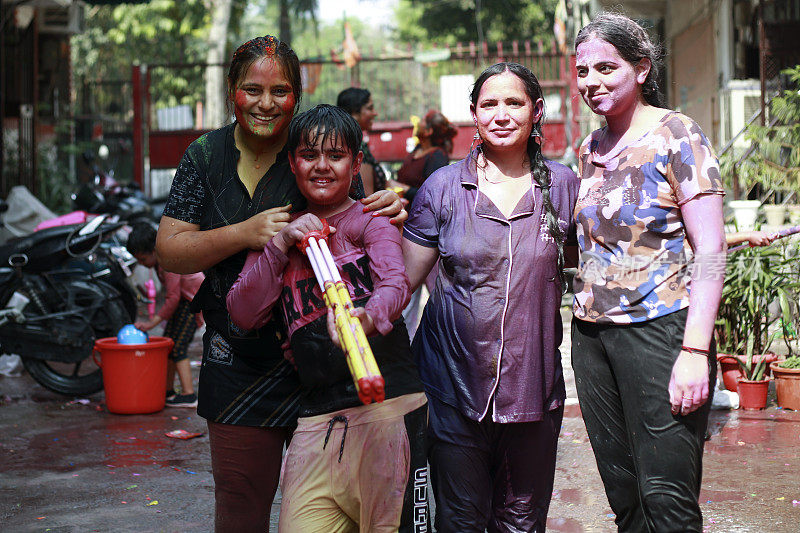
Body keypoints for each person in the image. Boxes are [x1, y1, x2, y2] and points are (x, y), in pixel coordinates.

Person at [154, 35, 405, 532]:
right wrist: (244, 234)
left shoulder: (312, 148)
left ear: (298, 93)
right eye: (252, 89)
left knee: (334, 507)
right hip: (238, 357)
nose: (266, 103)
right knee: (241, 503)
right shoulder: (206, 155)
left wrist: (391, 208)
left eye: (280, 91)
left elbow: (357, 218)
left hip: (323, 355)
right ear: (232, 91)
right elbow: (169, 249)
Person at [227, 104, 428, 532]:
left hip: (390, 408)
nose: (322, 167)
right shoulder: (278, 229)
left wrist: (366, 318)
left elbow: (395, 284)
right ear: (292, 162)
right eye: (309, 155)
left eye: (336, 156)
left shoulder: (370, 219)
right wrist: (280, 244)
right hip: (317, 418)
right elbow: (242, 311)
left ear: (356, 163)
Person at [402, 62, 579, 532]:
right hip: (451, 388)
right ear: (474, 116)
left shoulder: (563, 188)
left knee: (521, 524)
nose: (501, 114)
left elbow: (593, 266)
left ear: (536, 111)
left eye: (514, 103)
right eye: (489, 104)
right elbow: (400, 284)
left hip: (533, 392)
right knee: (460, 522)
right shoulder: (441, 189)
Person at [570, 13, 726, 532]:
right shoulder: (589, 150)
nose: (592, 82)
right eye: (583, 71)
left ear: (641, 68)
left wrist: (695, 352)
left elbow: (711, 248)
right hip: (592, 340)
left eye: (606, 68)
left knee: (667, 499)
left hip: (662, 333)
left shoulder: (676, 133)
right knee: (626, 499)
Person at [393, 109, 457, 338]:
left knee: (438, 290)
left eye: (421, 122)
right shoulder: (417, 151)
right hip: (404, 226)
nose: (416, 123)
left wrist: (399, 187)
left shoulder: (437, 155)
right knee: (407, 290)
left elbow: (433, 193)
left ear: (429, 130)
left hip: (427, 232)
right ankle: (405, 340)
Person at [126, 222, 204, 408]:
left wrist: (151, 323)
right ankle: (168, 391)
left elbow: (173, 298)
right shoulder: (158, 262)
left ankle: (189, 395)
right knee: (168, 345)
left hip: (192, 302)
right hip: (183, 302)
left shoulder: (167, 261)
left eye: (143, 259)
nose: (142, 264)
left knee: (178, 348)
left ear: (154, 250)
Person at [393, 109, 457, 206]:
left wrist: (403, 188)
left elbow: (433, 195)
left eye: (423, 121)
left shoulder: (437, 157)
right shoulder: (418, 149)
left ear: (428, 131)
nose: (418, 123)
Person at [337, 87, 387, 195]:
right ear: (354, 113)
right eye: (370, 108)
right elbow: (366, 198)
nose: (375, 113)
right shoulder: (356, 145)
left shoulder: (342, 140)